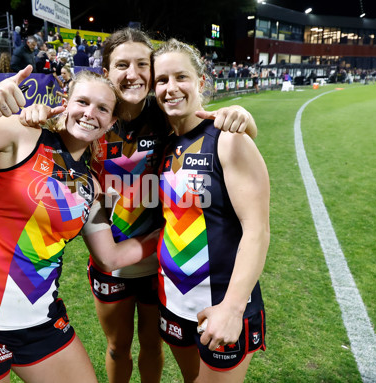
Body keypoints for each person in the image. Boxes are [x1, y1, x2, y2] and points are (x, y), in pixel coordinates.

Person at [19, 27, 258, 383]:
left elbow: (207, 131)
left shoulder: (165, 114)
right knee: (117, 347)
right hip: (109, 260)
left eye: (141, 64)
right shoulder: (92, 119)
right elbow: (57, 145)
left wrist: (242, 116)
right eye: (121, 65)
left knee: (152, 345)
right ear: (106, 71)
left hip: (158, 264)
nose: (132, 74)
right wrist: (36, 115)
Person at [0, 67, 159, 383]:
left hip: (38, 321)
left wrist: (165, 234)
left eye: (102, 109)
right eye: (83, 102)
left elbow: (110, 258)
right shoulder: (23, 134)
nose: (90, 113)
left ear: (111, 122)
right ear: (65, 102)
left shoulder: (91, 184)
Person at [153, 38, 269, 383]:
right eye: (161, 80)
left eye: (181, 77)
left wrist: (233, 309)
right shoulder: (166, 141)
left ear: (201, 82)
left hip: (222, 303)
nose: (171, 88)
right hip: (173, 300)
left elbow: (257, 230)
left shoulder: (229, 137)